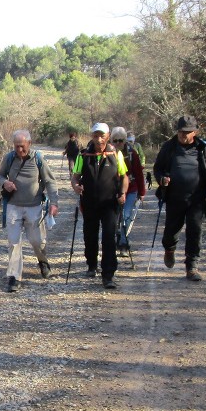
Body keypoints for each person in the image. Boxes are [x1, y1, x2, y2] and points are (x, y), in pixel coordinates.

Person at [153, 115, 206, 282]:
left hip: (196, 198)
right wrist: (162, 180)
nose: (183, 135)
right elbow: (157, 169)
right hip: (174, 197)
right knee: (171, 231)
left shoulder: (203, 148)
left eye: (187, 132)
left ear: (195, 132)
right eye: (180, 132)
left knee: (195, 231)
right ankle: (169, 249)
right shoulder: (169, 147)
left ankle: (192, 266)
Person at [0, 129, 59, 292]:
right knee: (14, 241)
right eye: (16, 146)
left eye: (22, 146)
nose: (19, 150)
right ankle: (14, 277)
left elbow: (50, 181)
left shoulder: (38, 159)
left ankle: (43, 260)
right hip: (13, 206)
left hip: (34, 207)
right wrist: (5, 183)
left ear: (29, 144)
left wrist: (54, 203)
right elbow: (0, 176)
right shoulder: (9, 158)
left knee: (37, 241)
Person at [70, 122, 128, 289]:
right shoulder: (83, 155)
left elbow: (124, 176)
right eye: (96, 135)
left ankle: (108, 275)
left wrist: (123, 193)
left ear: (108, 136)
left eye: (102, 135)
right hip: (89, 202)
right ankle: (91, 264)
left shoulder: (116, 154)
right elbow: (75, 176)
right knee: (90, 235)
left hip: (110, 203)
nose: (99, 139)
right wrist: (76, 186)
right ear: (92, 136)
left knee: (109, 237)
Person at [110, 127, 146, 242]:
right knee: (114, 217)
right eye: (115, 140)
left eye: (120, 140)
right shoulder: (107, 153)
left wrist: (142, 192)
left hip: (131, 189)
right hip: (112, 190)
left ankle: (123, 242)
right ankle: (116, 235)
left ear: (125, 140)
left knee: (126, 215)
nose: (118, 143)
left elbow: (139, 173)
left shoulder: (132, 153)